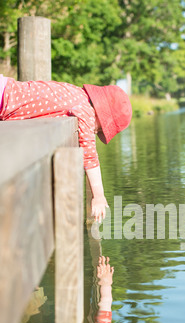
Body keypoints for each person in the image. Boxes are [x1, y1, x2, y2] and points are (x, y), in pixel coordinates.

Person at [0, 74, 132, 223]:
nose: (95, 132)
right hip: (4, 97)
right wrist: (99, 196)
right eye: (100, 129)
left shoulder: (76, 95)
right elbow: (89, 155)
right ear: (100, 115)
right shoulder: (85, 110)